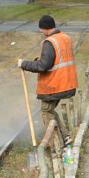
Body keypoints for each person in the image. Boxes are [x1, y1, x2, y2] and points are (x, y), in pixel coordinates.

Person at [19, 15, 78, 145]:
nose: (40, 31)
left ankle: (57, 142)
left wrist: (24, 64)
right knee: (50, 110)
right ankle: (65, 137)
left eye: (41, 28)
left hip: (55, 84)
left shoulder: (49, 42)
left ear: (45, 28)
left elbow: (43, 66)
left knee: (46, 111)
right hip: (67, 82)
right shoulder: (65, 38)